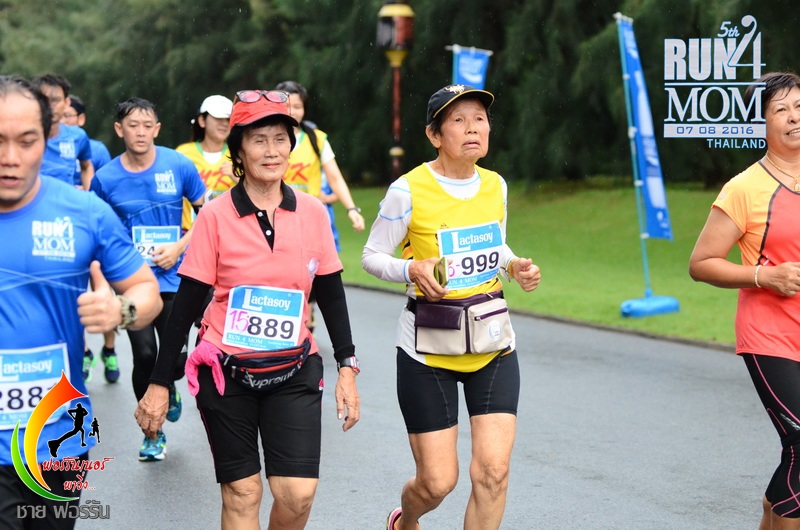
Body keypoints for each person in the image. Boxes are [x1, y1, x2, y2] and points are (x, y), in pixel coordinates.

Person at [134, 90, 360, 529]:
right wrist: (160, 382)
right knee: (243, 493)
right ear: (238, 150)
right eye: (259, 140)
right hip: (226, 372)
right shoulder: (215, 216)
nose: (272, 151)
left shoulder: (312, 212)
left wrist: (347, 368)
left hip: (294, 367)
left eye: (280, 139)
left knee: (297, 494)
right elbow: (187, 303)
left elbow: (331, 293)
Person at [362, 84, 541, 530]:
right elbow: (371, 256)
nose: (473, 128)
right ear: (434, 135)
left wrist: (513, 266)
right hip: (429, 349)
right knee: (437, 482)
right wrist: (410, 268)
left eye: (479, 118)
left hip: (491, 341)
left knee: (493, 473)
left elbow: (494, 244)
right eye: (458, 120)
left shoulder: (495, 185)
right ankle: (406, 521)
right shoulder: (407, 190)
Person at [0, 75, 161, 528]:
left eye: (26, 141)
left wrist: (121, 310)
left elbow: (146, 292)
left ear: (48, 137)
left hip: (57, 440)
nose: (11, 157)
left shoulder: (84, 212)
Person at [689, 71, 800, 530]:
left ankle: (774, 511)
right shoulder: (745, 188)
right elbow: (701, 263)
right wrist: (765, 275)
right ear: (761, 124)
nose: (794, 118)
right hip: (770, 336)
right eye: (781, 110)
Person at [90, 97, 206, 462]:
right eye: (132, 125)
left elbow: (208, 214)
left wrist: (179, 246)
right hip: (131, 281)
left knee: (174, 359)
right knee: (144, 354)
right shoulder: (105, 179)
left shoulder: (178, 165)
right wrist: (103, 284)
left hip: (175, 278)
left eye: (147, 125)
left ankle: (168, 385)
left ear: (156, 129)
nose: (140, 132)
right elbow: (96, 233)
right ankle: (152, 433)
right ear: (119, 129)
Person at [274, 80, 365, 330]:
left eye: (298, 106)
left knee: (312, 268)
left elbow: (334, 177)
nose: (293, 111)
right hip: (275, 216)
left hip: (307, 219)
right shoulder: (268, 138)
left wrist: (352, 209)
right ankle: (291, 318)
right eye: (288, 106)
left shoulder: (316, 139)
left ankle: (306, 313)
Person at [62, 94, 119, 384]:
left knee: (101, 290)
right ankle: (84, 352)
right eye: (59, 115)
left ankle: (109, 349)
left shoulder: (95, 150)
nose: (63, 120)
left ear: (81, 119)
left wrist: (86, 198)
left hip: (91, 229)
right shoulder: (46, 147)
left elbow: (105, 189)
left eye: (68, 115)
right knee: (73, 296)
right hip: (62, 233)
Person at [176, 94, 237, 232]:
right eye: (218, 118)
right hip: (189, 234)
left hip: (228, 232)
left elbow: (256, 195)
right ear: (202, 120)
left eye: (228, 119)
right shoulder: (183, 154)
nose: (224, 123)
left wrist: (237, 178)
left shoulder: (239, 155)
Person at [31, 74, 94, 189]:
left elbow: (86, 167)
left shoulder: (77, 136)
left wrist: (88, 193)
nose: (50, 106)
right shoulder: (24, 136)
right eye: (45, 100)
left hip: (65, 199)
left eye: (55, 100)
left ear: (66, 103)